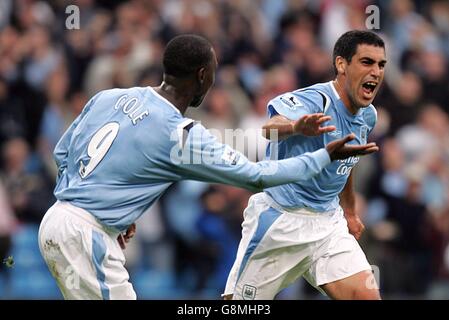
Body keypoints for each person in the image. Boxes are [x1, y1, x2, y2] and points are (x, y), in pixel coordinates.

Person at [38, 34, 378, 300]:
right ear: (203, 75)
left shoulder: (111, 96)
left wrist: (104, 209)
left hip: (57, 221)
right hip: (86, 235)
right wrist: (323, 156)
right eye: (214, 72)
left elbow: (63, 153)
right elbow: (256, 176)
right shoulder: (180, 135)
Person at [224, 30, 386, 300]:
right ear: (341, 64)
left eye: (381, 65)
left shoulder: (368, 116)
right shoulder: (315, 100)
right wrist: (296, 126)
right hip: (281, 221)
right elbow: (269, 129)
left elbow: (346, 159)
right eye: (367, 62)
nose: (376, 72)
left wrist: (349, 210)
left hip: (328, 225)